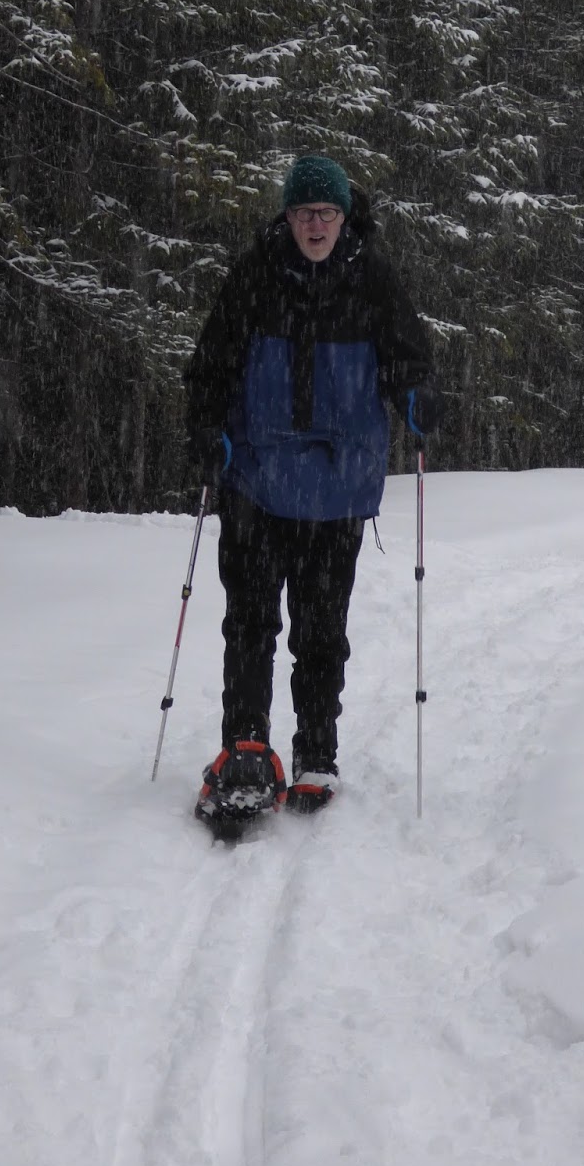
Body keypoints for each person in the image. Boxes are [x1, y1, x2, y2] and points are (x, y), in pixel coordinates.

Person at [185, 153, 446, 818]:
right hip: (257, 476)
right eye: (305, 212)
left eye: (327, 212)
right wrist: (207, 427)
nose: (316, 224)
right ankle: (246, 744)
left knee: (321, 629)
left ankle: (317, 753)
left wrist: (416, 395)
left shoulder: (371, 277)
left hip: (337, 486)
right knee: (251, 621)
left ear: (343, 217)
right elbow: (212, 363)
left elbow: (408, 357)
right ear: (288, 216)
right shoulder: (256, 273)